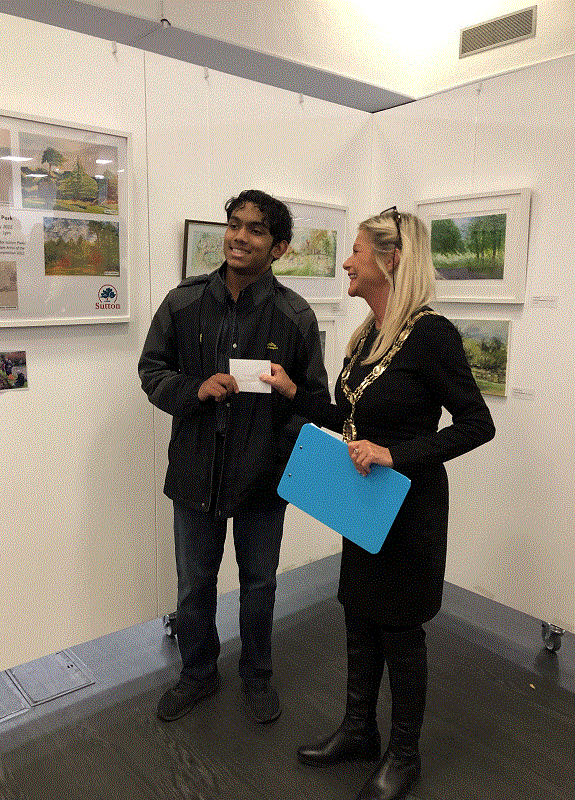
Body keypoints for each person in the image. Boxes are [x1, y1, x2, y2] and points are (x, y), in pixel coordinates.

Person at [260, 207, 495, 800]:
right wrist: (296, 393)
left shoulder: (432, 333)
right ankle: (360, 730)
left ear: (390, 260)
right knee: (359, 615)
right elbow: (350, 422)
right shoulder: (368, 335)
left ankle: (405, 755)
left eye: (357, 251)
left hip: (409, 506)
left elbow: (476, 423)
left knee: (401, 628)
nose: (346, 261)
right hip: (361, 502)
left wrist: (398, 453)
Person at [139, 190, 329, 726]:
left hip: (262, 481)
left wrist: (287, 410)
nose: (240, 237)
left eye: (256, 230)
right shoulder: (183, 302)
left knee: (260, 585)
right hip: (195, 473)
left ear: (280, 248)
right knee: (194, 586)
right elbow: (151, 371)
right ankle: (198, 675)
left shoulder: (295, 315)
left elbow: (314, 402)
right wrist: (194, 389)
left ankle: (256, 675)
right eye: (234, 225)